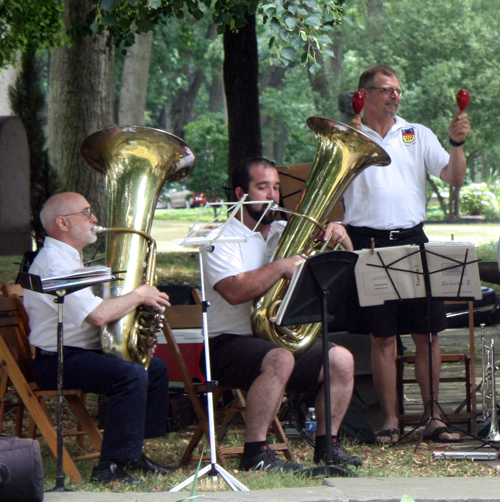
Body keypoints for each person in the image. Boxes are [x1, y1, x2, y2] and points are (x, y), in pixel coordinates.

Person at [200, 157, 362, 472]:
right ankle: (256, 453)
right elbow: (234, 292)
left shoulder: (288, 232)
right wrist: (279, 267)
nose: (274, 195)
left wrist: (340, 239)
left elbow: (337, 274)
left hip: (276, 337)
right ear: (240, 193)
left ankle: (328, 446)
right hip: (227, 342)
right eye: (263, 187)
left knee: (341, 360)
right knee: (280, 358)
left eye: (276, 187)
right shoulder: (219, 237)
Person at [344, 65, 470, 445]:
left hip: (413, 239)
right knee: (382, 337)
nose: (395, 96)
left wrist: (457, 144)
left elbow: (455, 177)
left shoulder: (416, 133)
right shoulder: (348, 136)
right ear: (364, 94)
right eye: (386, 90)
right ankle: (390, 419)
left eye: (398, 90)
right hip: (366, 241)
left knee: (427, 333)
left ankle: (433, 417)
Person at [24, 192, 173, 484]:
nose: (94, 219)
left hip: (78, 353)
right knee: (130, 376)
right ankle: (110, 468)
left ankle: (132, 453)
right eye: (86, 213)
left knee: (153, 369)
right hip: (57, 360)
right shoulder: (56, 263)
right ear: (62, 223)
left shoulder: (70, 258)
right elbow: (97, 316)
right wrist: (139, 294)